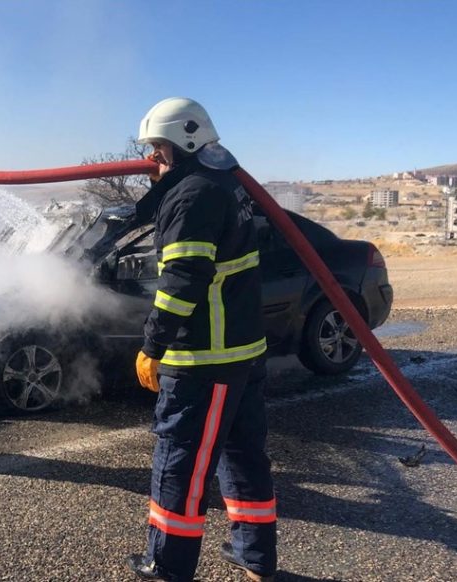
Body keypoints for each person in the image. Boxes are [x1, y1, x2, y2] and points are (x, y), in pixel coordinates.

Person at [127, 98, 277, 581]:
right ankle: (254, 555)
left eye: (158, 148)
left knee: (181, 464)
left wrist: (153, 347)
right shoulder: (221, 182)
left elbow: (182, 281)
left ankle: (166, 565)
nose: (153, 156)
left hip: (204, 359)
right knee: (244, 457)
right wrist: (161, 185)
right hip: (243, 352)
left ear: (180, 143)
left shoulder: (192, 196)